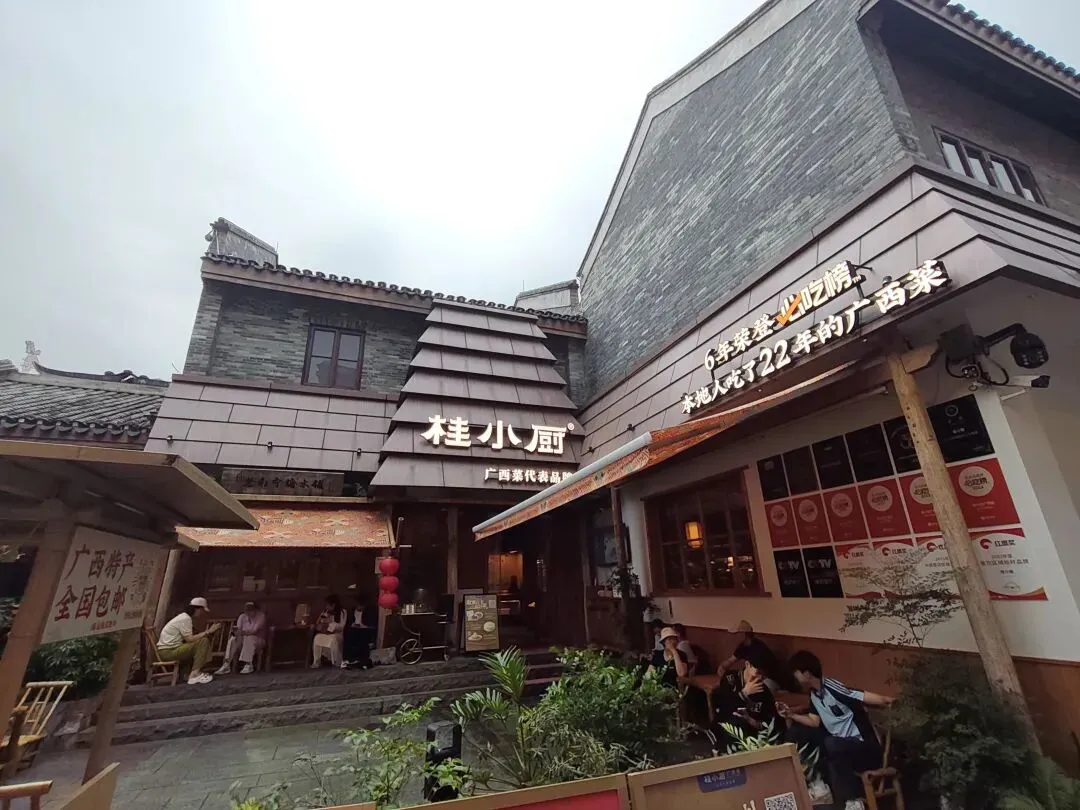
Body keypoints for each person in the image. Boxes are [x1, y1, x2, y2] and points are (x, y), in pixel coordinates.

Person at [778, 650, 893, 810]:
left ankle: (854, 800)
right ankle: (818, 785)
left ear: (807, 674)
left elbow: (861, 695)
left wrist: (888, 700)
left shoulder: (833, 688)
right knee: (798, 732)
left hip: (864, 748)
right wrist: (791, 715)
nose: (794, 676)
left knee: (831, 743)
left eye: (796, 672)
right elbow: (814, 721)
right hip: (842, 749)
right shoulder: (814, 695)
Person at [157, 597, 221, 685]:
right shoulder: (185, 619)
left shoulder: (184, 617)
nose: (201, 613)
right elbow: (190, 639)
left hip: (170, 649)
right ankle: (194, 674)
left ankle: (185, 674)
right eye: (201, 611)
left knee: (197, 644)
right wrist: (208, 631)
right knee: (203, 642)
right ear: (197, 609)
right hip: (168, 651)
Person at [718, 620, 790, 692]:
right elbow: (730, 661)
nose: (733, 636)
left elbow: (758, 674)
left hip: (770, 680)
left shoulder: (759, 648)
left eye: (736, 634)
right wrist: (722, 667)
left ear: (744, 634)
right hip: (757, 678)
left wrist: (737, 678)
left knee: (750, 689)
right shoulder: (742, 647)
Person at [215, 601, 267, 675]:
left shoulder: (261, 616)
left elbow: (254, 631)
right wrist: (236, 633)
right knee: (233, 639)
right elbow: (238, 629)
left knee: (249, 638)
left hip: (258, 639)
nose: (248, 612)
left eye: (251, 609)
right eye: (247, 610)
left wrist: (242, 633)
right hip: (243, 638)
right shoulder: (242, 616)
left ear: (255, 609)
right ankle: (226, 664)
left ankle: (248, 664)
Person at [312, 594, 347, 668]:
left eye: (328, 605)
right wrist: (321, 624)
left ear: (333, 605)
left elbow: (341, 626)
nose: (326, 607)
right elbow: (318, 622)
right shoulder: (325, 611)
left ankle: (336, 661)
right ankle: (317, 661)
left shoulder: (342, 611)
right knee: (317, 637)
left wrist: (330, 624)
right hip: (325, 633)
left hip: (337, 634)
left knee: (333, 639)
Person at [343, 593, 377, 669]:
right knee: (349, 634)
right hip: (354, 630)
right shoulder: (353, 611)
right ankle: (349, 660)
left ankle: (362, 661)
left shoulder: (369, 612)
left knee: (362, 639)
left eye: (360, 605)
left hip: (365, 630)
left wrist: (364, 626)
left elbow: (372, 625)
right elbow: (350, 623)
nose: (358, 607)